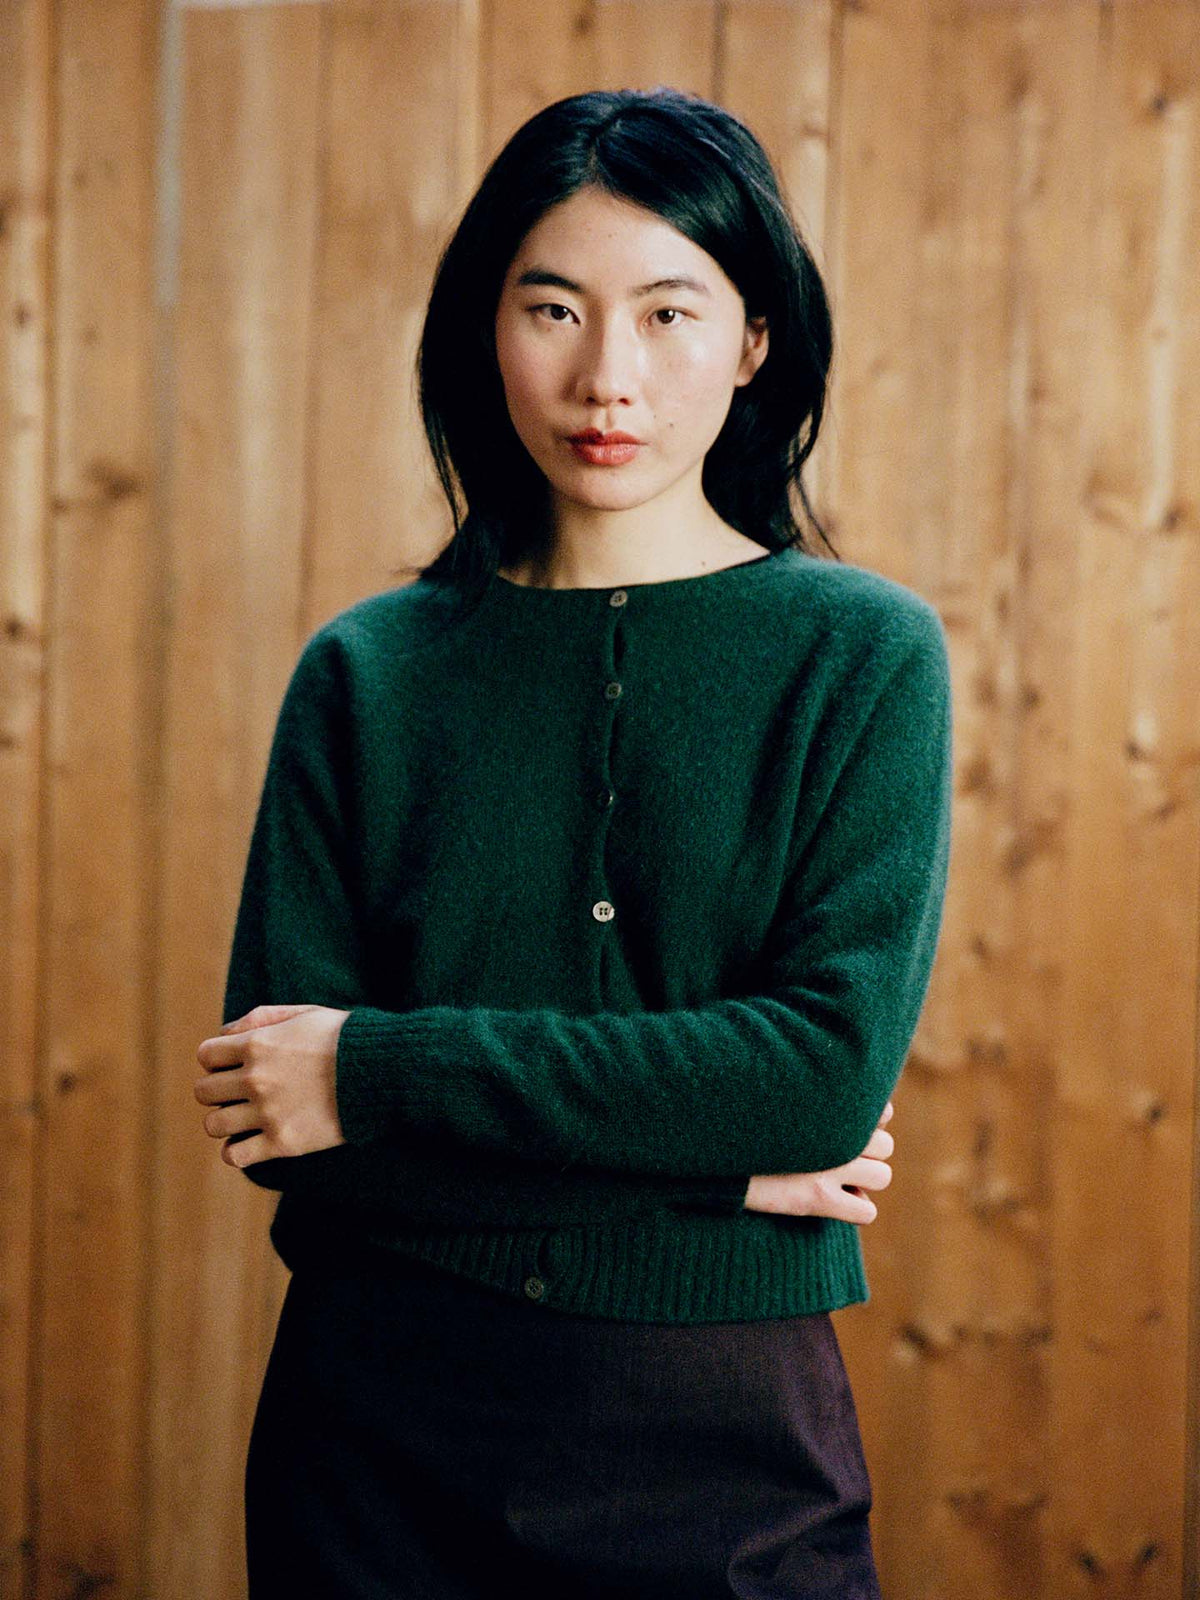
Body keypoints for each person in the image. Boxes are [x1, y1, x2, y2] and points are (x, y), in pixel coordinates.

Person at [193, 85, 953, 1599]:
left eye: (671, 312)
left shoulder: (861, 655)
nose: (609, 373)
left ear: (753, 344)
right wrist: (724, 1179)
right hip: (375, 1448)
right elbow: (285, 1121)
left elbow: (816, 1076)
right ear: (488, 328)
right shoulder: (370, 671)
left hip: (724, 1445)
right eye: (554, 306)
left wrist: (383, 1071)